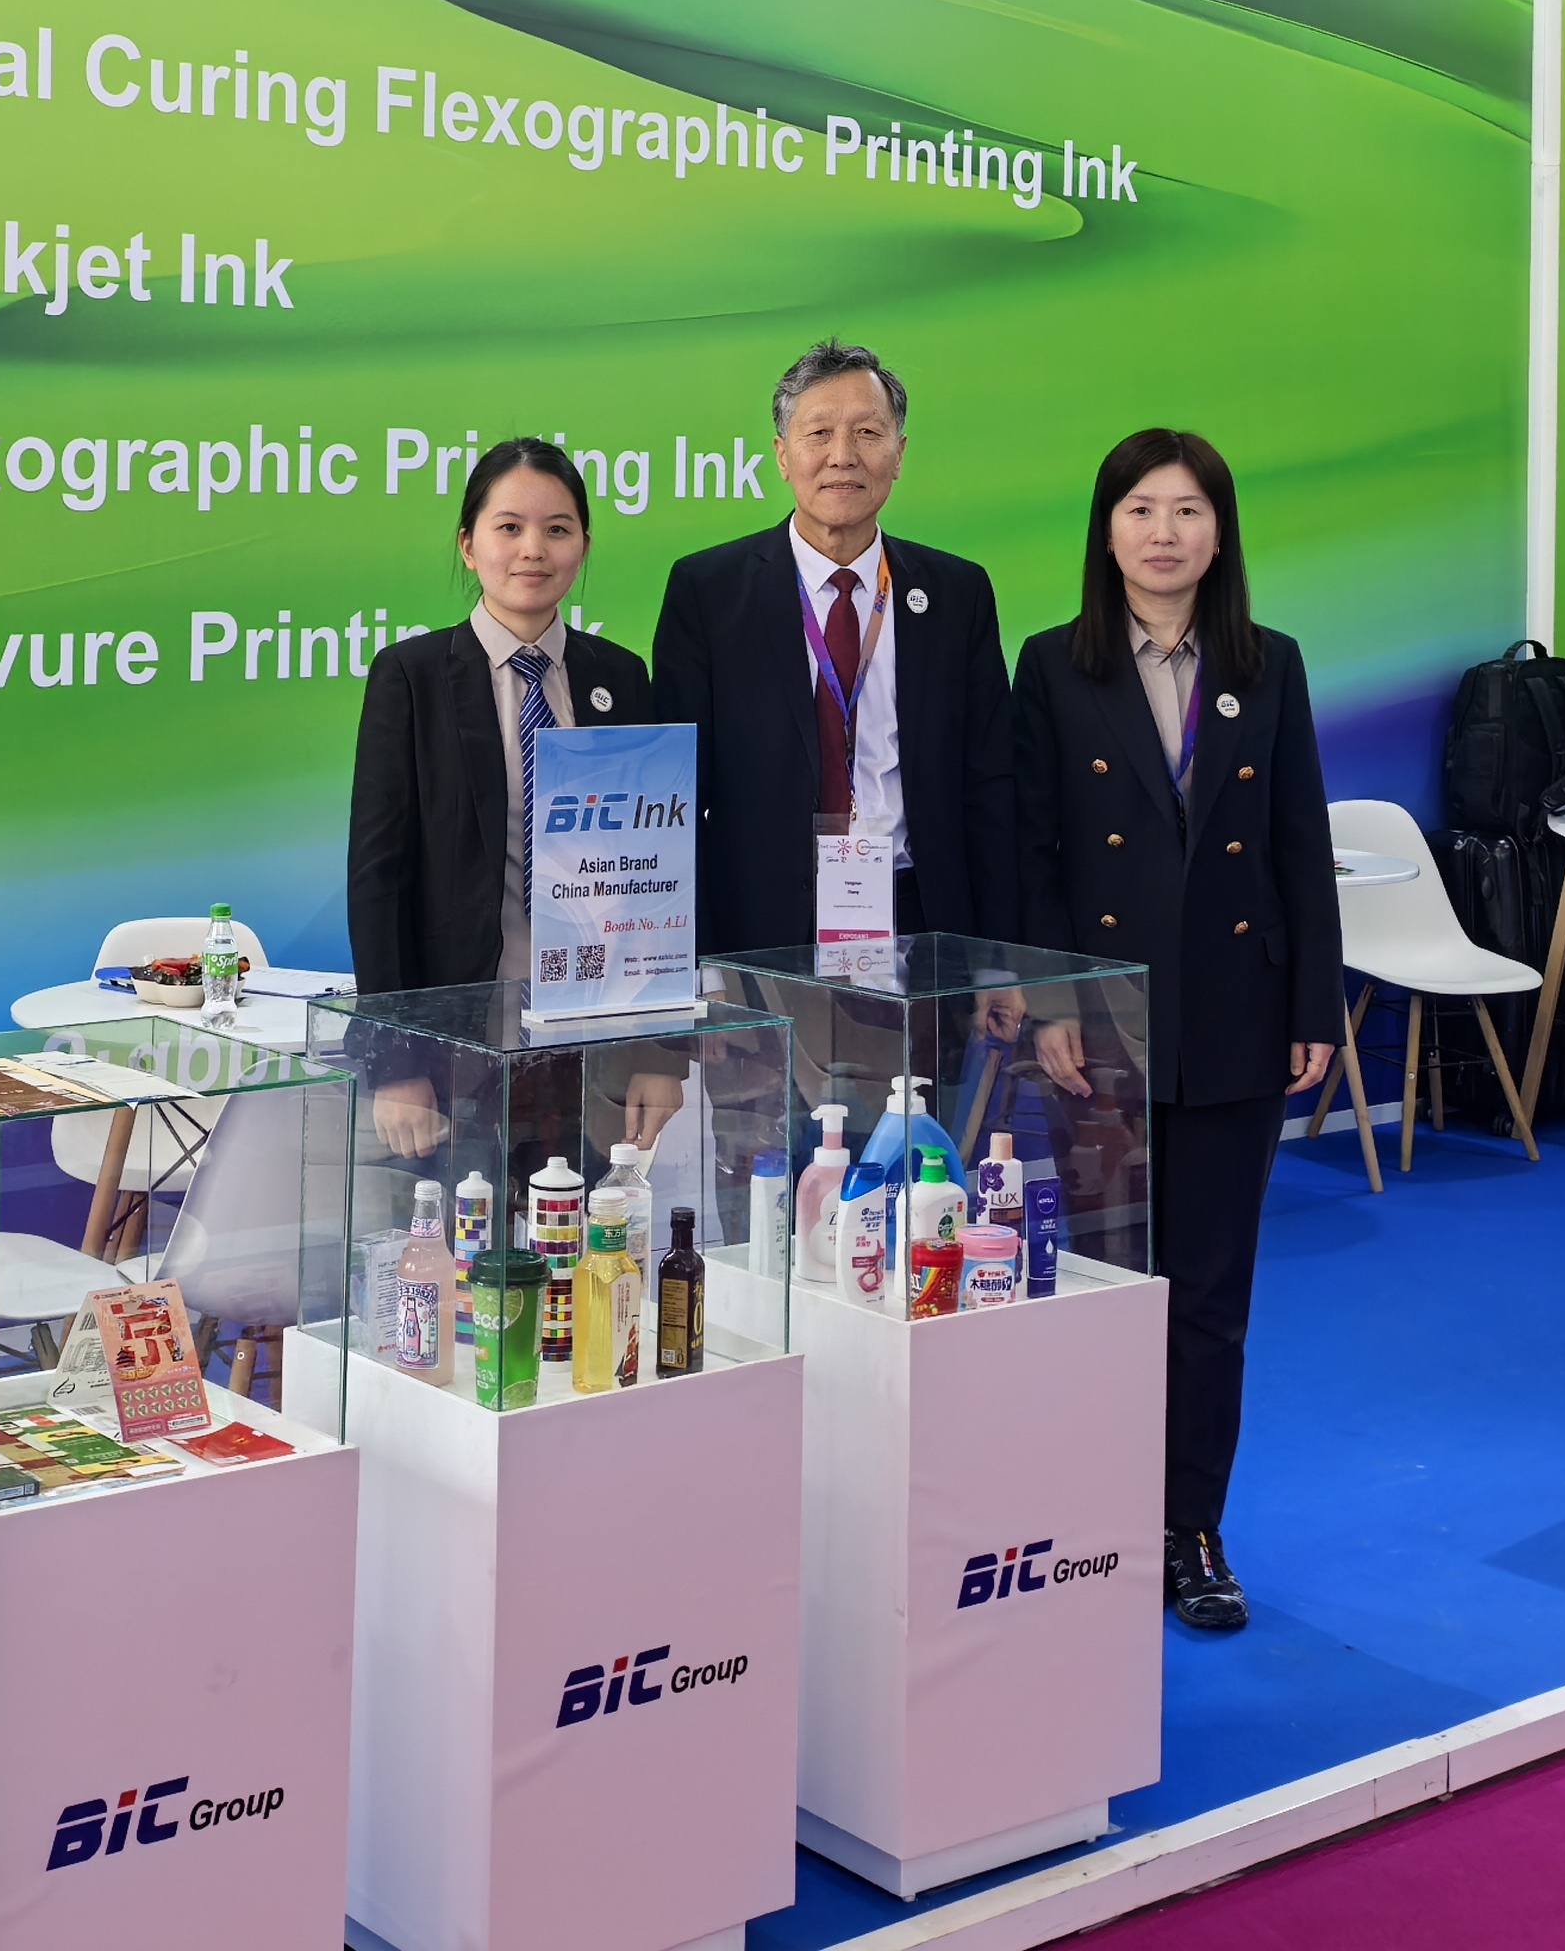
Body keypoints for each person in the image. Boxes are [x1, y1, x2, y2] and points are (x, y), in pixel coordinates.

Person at [1011, 426, 1340, 1636]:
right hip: (1100, 1029)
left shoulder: (1269, 663)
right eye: (1141, 508)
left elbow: (1299, 839)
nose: (1164, 531)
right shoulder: (1053, 666)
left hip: (1237, 1022)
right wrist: (1050, 1001)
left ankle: (1192, 1530)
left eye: (1188, 510)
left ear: (1219, 532)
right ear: (1106, 532)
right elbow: (1033, 855)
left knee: (1209, 1298)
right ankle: (1092, 1522)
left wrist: (1312, 1006)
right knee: (1103, 1287)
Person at [345, 438, 662, 1157]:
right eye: (509, 527)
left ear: (584, 546)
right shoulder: (412, 678)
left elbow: (649, 874)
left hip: (591, 1039)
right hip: (456, 1047)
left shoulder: (621, 679)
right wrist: (397, 1063)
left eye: (558, 529)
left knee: (592, 1227)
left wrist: (656, 1052)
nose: (533, 550)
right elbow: (377, 882)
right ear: (468, 545)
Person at [652, 340, 1014, 957]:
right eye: (818, 433)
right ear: (782, 455)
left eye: (867, 432)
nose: (842, 456)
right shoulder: (707, 592)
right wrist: (699, 960)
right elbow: (679, 797)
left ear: (899, 454)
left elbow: (991, 789)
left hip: (921, 916)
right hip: (760, 927)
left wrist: (997, 961)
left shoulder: (957, 593)